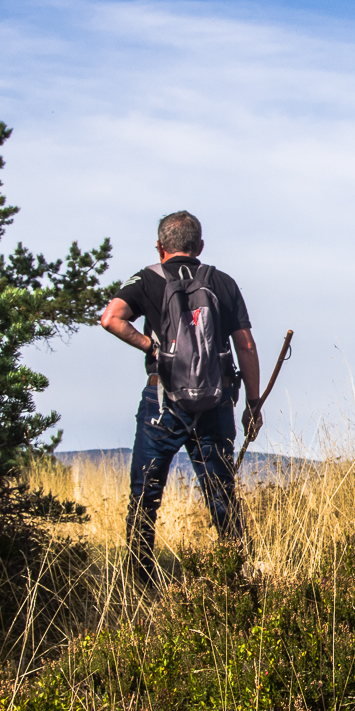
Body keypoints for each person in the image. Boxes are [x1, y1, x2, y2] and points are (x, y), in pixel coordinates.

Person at [99, 210, 262, 581]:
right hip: (215, 401)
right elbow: (246, 345)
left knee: (145, 494)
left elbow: (111, 318)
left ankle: (140, 581)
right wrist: (252, 404)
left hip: (162, 402)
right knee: (221, 493)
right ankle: (237, 576)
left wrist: (150, 348)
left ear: (160, 247)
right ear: (199, 246)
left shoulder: (146, 280)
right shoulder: (221, 282)